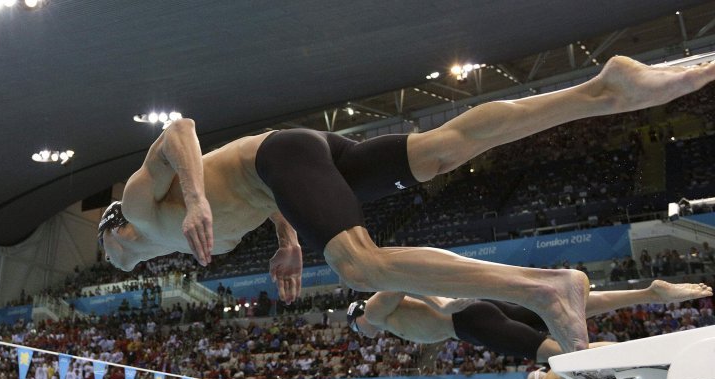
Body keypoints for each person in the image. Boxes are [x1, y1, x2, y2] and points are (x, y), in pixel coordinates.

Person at [98, 56, 715, 354]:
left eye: (106, 253)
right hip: (298, 163)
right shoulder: (202, 247)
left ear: (113, 231)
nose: (109, 265)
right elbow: (266, 197)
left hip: (283, 155)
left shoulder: (139, 205)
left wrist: (197, 198)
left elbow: (179, 129)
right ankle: (603, 89)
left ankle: (544, 286)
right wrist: (287, 242)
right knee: (444, 150)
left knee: (360, 268)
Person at [346, 280, 712, 363]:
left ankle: (649, 358)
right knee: (567, 311)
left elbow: (396, 278)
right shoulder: (391, 317)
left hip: (470, 322)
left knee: (559, 356)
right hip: (480, 309)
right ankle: (648, 292)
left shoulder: (375, 312)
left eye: (357, 329)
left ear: (357, 317)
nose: (363, 334)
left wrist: (441, 303)